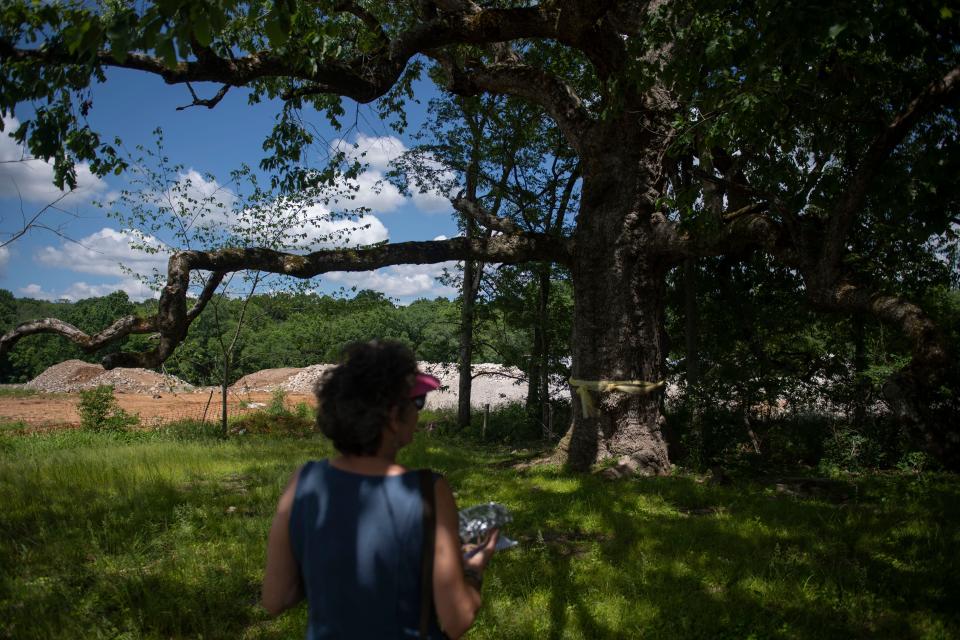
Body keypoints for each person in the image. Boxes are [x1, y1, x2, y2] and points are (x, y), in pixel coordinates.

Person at [262, 340, 498, 639]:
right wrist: (474, 567)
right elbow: (457, 618)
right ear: (391, 415)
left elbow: (274, 599)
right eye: (417, 402)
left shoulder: (303, 483)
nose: (419, 412)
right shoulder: (428, 492)